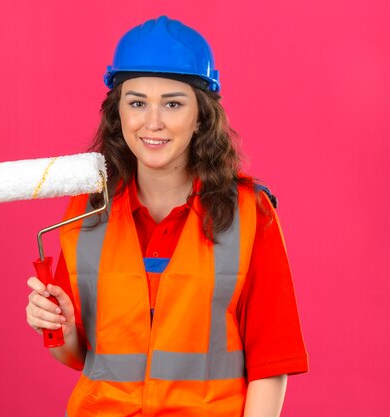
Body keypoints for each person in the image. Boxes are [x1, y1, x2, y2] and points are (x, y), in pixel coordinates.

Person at [25, 15, 308, 417]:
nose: (152, 122)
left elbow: (271, 362)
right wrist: (61, 328)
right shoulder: (85, 212)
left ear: (200, 118)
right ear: (117, 112)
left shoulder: (249, 213)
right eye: (137, 102)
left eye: (172, 103)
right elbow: (79, 358)